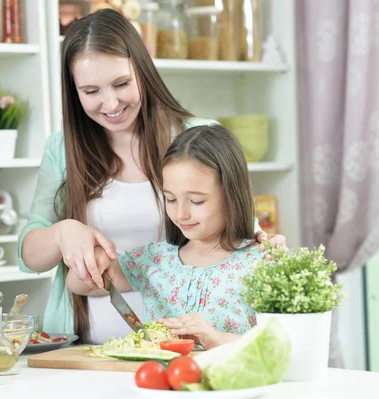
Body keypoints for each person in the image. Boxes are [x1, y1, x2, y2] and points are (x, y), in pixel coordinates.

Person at [17, 9, 285, 343]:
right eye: (91, 91)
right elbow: (30, 258)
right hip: (88, 349)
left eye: (121, 83)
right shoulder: (63, 149)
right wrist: (63, 233)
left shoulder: (198, 138)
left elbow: (242, 231)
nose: (110, 103)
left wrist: (268, 247)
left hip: (190, 349)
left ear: (143, 72)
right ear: (74, 92)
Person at [67, 125, 261, 349]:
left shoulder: (259, 261)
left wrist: (219, 339)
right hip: (159, 381)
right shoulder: (156, 260)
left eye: (197, 201)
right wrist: (95, 260)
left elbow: (283, 343)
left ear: (231, 193)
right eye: (170, 199)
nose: (181, 214)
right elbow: (78, 285)